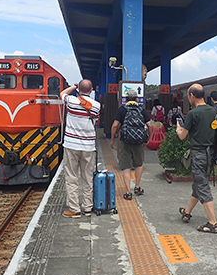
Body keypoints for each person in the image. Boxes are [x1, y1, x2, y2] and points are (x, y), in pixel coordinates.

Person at [176, 83, 217, 234]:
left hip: (199, 154)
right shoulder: (213, 110)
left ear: (192, 95)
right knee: (198, 185)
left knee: (202, 187)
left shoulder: (193, 113)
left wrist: (178, 128)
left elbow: (182, 136)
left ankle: (213, 223)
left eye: (188, 96)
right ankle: (187, 212)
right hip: (210, 154)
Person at [60, 79, 101, 219]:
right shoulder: (96, 106)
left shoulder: (71, 101)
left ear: (79, 90)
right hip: (89, 146)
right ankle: (87, 208)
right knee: (87, 177)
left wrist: (74, 87)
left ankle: (74, 209)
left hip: (71, 145)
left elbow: (62, 93)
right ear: (91, 91)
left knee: (72, 177)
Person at [110, 90, 153, 200]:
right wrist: (148, 137)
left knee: (126, 167)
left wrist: (112, 140)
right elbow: (150, 125)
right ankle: (137, 187)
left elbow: (115, 125)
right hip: (139, 142)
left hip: (125, 141)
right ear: (136, 99)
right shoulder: (141, 110)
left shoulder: (122, 110)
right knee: (139, 164)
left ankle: (128, 192)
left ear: (125, 99)